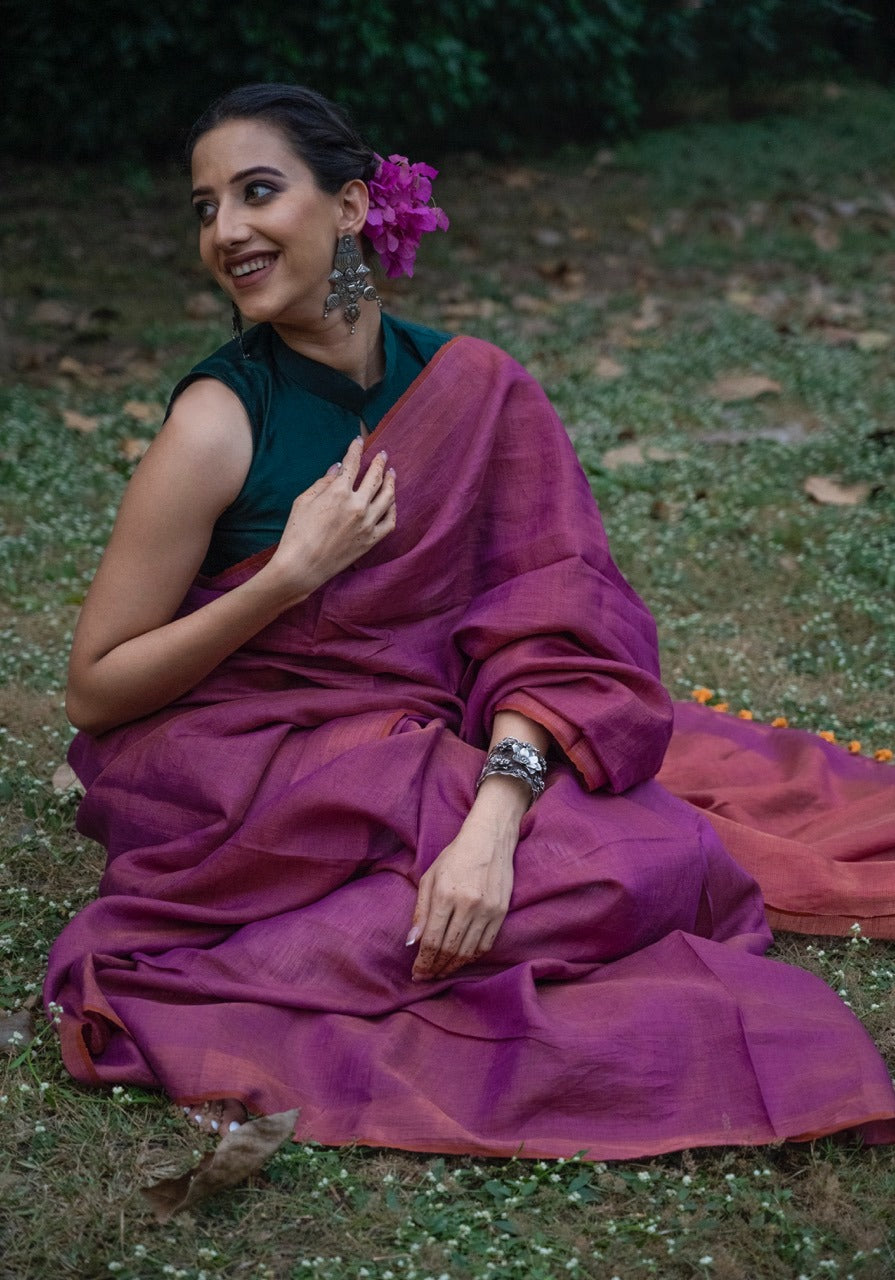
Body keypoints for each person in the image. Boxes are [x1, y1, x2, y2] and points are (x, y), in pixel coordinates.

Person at [45, 84, 895, 1158]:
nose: (226, 230)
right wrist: (288, 574)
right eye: (205, 206)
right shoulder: (218, 420)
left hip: (424, 744)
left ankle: (398, 898)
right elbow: (95, 688)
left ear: (351, 206)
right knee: (630, 863)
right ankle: (268, 953)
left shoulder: (475, 387)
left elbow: (546, 626)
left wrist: (488, 830)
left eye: (257, 192)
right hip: (246, 772)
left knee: (665, 851)